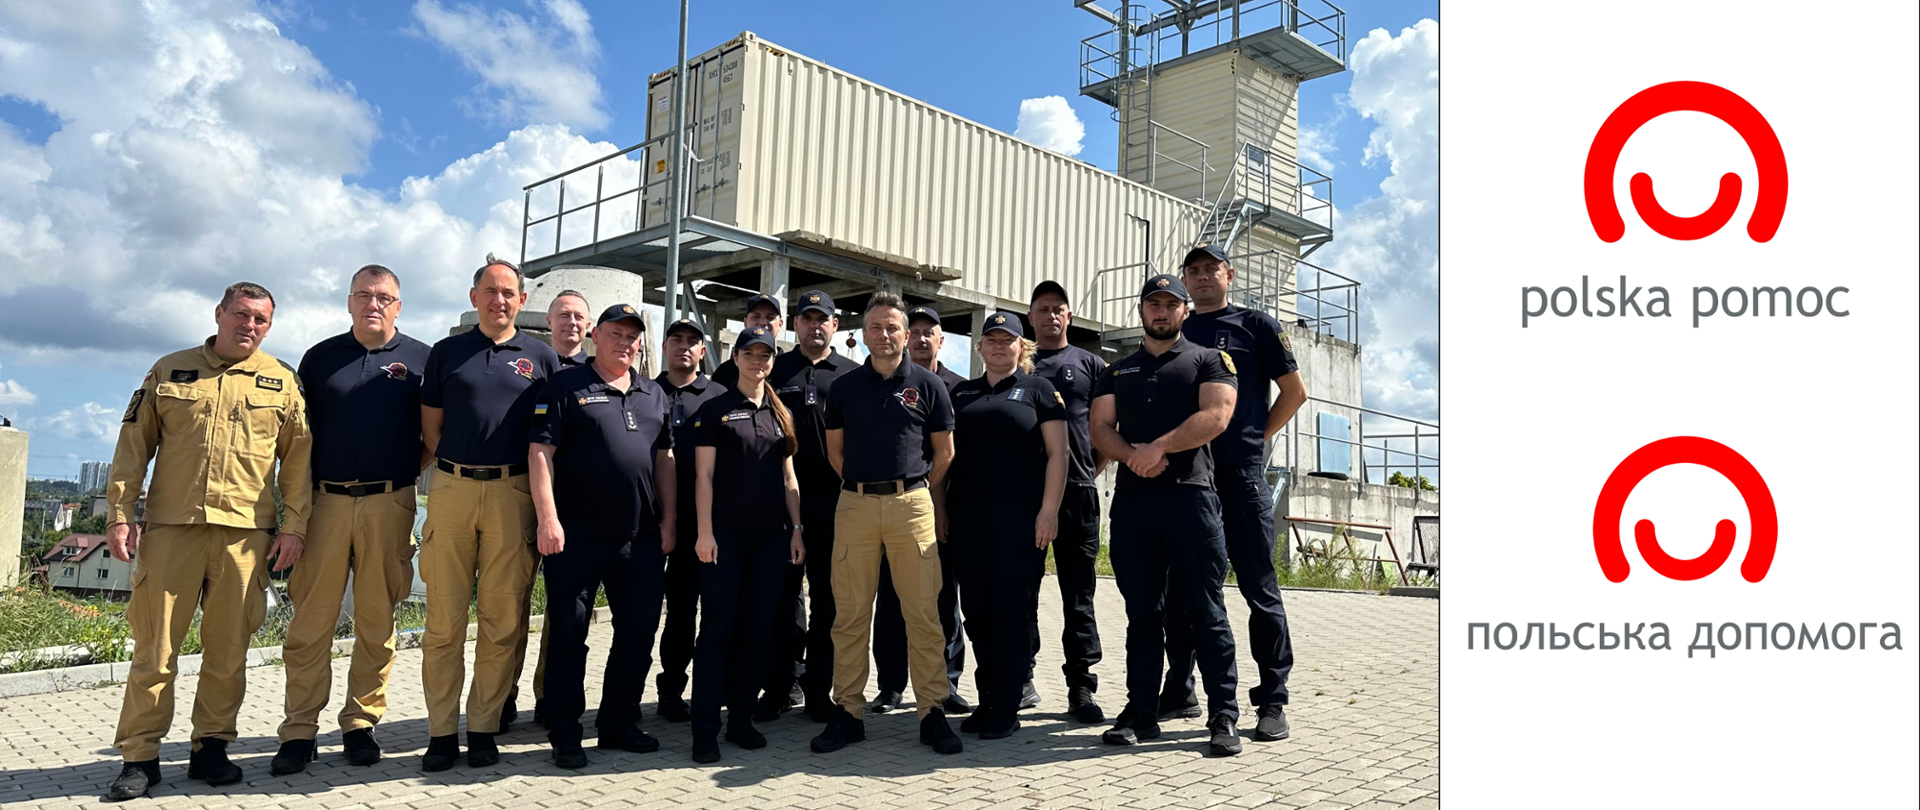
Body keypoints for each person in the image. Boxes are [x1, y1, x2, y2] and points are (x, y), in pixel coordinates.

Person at [102, 282, 312, 801]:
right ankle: (140, 757)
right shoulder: (170, 370)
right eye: (241, 314)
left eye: (260, 319)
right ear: (219, 313)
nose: (249, 326)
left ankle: (211, 749)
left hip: (245, 537)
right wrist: (119, 515)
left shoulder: (282, 381)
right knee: (155, 650)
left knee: (229, 652)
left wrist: (295, 527)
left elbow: (299, 464)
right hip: (172, 531)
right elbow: (133, 448)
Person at [272, 265, 430, 775]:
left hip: (391, 502)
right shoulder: (319, 359)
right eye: (364, 295)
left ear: (399, 306)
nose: (374, 304)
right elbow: (297, 442)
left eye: (385, 297)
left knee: (376, 619)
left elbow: (434, 437)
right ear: (349, 302)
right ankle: (299, 730)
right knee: (311, 622)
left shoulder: (422, 360)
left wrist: (402, 475)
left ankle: (361, 723)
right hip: (326, 504)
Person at [1090, 274, 1244, 757]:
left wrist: (1157, 446)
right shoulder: (1118, 371)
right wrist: (1132, 456)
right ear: (1141, 311)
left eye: (1170, 305)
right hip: (1135, 503)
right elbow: (1099, 426)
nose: (1161, 311)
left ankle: (1223, 714)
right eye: (1153, 304)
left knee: (1206, 610)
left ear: (1184, 312)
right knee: (1143, 614)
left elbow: (1217, 416)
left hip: (1191, 498)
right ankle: (1141, 711)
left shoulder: (1208, 360)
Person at [417, 254, 561, 771]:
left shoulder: (542, 359)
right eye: (490, 291)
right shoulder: (446, 353)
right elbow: (430, 428)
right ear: (474, 296)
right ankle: (440, 732)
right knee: (444, 622)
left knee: (502, 619)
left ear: (523, 302)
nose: (499, 300)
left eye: (509, 293)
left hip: (512, 495)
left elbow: (548, 436)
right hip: (453, 490)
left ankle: (482, 727)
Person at [1163, 244, 1306, 742]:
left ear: (1229, 274)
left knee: (1258, 589)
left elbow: (1294, 392)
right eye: (1193, 271)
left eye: (1210, 270)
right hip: (1187, 476)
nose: (1201, 278)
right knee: (1181, 590)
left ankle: (1272, 700)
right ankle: (1179, 688)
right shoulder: (1177, 329)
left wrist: (1254, 438)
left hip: (1240, 477)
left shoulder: (1258, 326)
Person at [811, 291, 964, 756]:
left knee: (922, 612)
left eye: (893, 328)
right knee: (851, 613)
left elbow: (945, 453)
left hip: (911, 506)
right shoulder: (844, 387)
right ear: (864, 333)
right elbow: (835, 453)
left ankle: (932, 711)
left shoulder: (929, 385)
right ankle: (848, 712)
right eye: (876, 327)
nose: (885, 336)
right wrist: (865, 489)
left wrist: (914, 491)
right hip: (855, 506)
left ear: (906, 333)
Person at [528, 303, 677, 768]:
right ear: (596, 335)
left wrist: (670, 519)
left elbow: (665, 460)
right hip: (577, 537)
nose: (625, 342)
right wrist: (547, 519)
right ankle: (566, 732)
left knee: (637, 634)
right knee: (570, 637)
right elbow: (540, 453)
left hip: (642, 538)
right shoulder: (565, 386)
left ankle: (617, 721)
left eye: (633, 336)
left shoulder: (654, 394)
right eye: (615, 333)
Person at [687, 326, 807, 762]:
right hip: (725, 538)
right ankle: (705, 729)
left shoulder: (781, 412)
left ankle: (741, 719)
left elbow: (789, 478)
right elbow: (703, 476)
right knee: (718, 630)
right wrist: (704, 532)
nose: (759, 361)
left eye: (766, 355)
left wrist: (796, 529)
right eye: (750, 354)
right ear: (735, 357)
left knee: (759, 632)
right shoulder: (715, 408)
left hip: (772, 539)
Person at [945, 312, 1067, 739]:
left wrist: (1049, 510)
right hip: (968, 518)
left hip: (1019, 520)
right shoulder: (962, 392)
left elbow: (1058, 454)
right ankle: (989, 697)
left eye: (1008, 340)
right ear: (980, 348)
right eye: (991, 340)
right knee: (977, 612)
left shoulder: (1039, 390)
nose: (999, 346)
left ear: (1022, 346)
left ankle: (1009, 703)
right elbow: (947, 458)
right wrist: (941, 511)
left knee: (1011, 611)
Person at [756, 291, 856, 723]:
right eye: (807, 318)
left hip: (837, 505)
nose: (816, 325)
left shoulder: (853, 376)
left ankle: (819, 690)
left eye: (824, 319)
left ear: (836, 326)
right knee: (781, 600)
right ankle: (778, 687)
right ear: (794, 324)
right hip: (782, 504)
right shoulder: (775, 371)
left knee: (830, 602)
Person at [868, 305, 970, 716]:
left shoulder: (957, 388)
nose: (923, 338)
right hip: (897, 508)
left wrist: (934, 500)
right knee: (891, 599)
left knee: (943, 599)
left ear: (942, 340)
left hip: (940, 511)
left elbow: (952, 454)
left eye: (932, 332)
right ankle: (891, 686)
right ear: (907, 337)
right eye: (918, 331)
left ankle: (946, 684)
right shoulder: (886, 382)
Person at [1026, 280, 1109, 723]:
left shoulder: (1091, 364)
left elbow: (1107, 428)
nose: (1051, 315)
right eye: (1043, 308)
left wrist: (1086, 470)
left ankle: (1081, 687)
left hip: (1078, 495)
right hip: (1023, 497)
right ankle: (1022, 677)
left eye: (1059, 308)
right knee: (1023, 592)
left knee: (1079, 595)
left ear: (1070, 316)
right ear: (1030, 316)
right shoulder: (1019, 361)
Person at [653, 317, 726, 723]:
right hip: (653, 522)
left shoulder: (718, 397)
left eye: (692, 341)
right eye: (676, 339)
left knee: (707, 612)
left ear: (702, 351)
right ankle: (668, 690)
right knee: (670, 615)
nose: (684, 346)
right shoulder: (645, 391)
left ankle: (710, 691)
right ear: (664, 347)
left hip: (704, 527)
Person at [525, 289, 592, 729]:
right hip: (519, 494)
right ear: (548, 322)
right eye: (563, 315)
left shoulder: (597, 372)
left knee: (560, 610)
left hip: (572, 506)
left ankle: (550, 694)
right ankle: (500, 697)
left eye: (579, 317)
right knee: (510, 604)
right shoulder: (530, 368)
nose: (571, 322)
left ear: (590, 328)